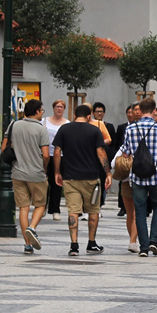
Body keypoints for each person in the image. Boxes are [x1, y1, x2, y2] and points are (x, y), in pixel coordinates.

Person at [116, 98, 157, 256]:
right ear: (154, 110)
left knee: (139, 211)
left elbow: (126, 151)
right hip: (156, 175)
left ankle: (143, 247)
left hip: (137, 176)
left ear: (140, 109)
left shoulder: (131, 129)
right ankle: (154, 241)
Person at [53, 104, 111, 256]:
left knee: (73, 211)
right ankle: (91, 243)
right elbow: (101, 152)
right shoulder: (94, 130)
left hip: (70, 177)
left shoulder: (64, 129)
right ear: (89, 117)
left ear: (74, 116)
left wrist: (57, 172)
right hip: (91, 177)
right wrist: (108, 173)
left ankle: (74, 245)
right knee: (93, 211)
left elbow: (57, 151)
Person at [0, 98, 51, 254]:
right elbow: (46, 154)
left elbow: (4, 148)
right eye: (41, 111)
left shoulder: (14, 125)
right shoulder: (41, 129)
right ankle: (32, 227)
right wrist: (44, 167)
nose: (42, 113)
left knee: (23, 208)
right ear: (36, 112)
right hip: (36, 173)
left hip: (18, 173)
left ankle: (27, 244)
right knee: (40, 205)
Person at [112, 103, 139, 217]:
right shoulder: (123, 127)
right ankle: (123, 207)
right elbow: (119, 143)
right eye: (130, 111)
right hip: (127, 165)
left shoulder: (133, 129)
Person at [43, 99, 68, 220]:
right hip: (46, 154)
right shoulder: (44, 122)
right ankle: (42, 207)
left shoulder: (67, 123)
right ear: (53, 108)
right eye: (57, 106)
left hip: (61, 156)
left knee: (57, 183)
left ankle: (55, 209)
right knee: (43, 183)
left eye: (61, 107)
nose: (59, 109)